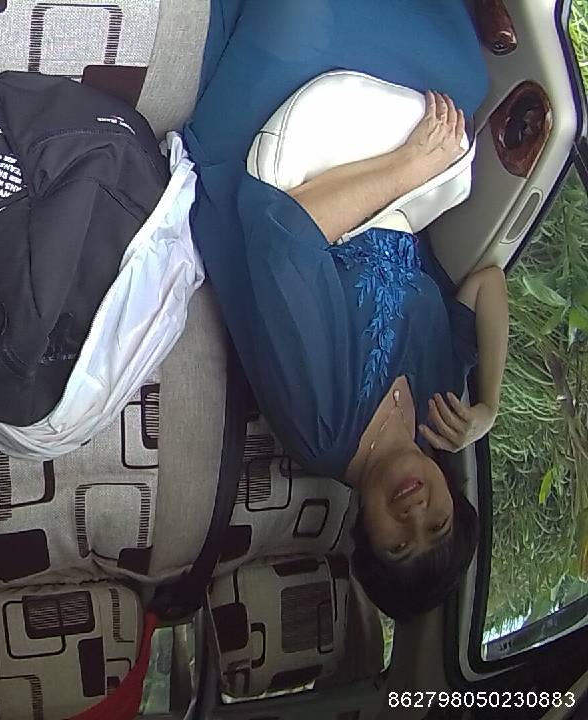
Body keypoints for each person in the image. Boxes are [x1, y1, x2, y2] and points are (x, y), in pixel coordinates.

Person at [185, 0, 505, 620]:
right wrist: (487, 403)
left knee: (310, 15)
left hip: (262, 159)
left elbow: (286, 231)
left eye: (398, 544)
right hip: (357, 144)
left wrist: (411, 165)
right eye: (438, 525)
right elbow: (489, 285)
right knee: (467, 79)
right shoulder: (438, 407)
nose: (415, 515)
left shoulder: (322, 428)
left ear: (364, 533)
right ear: (453, 499)